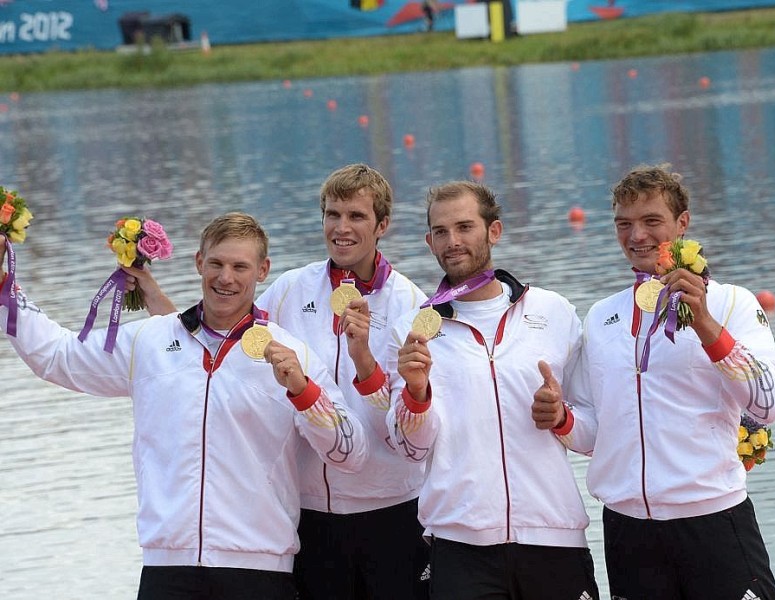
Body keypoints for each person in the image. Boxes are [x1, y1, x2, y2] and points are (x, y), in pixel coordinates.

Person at [0, 212, 367, 600]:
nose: (226, 277)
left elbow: (351, 452)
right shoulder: (149, 341)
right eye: (217, 264)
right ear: (198, 263)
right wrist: (6, 285)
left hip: (258, 571)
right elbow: (59, 358)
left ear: (262, 271)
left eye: (240, 266)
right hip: (167, 568)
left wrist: (303, 392)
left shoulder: (294, 356)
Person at [539, 164, 775, 599]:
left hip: (713, 523)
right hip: (629, 532)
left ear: (682, 223)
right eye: (624, 224)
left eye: (651, 221)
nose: (637, 236)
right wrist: (560, 417)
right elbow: (596, 433)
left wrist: (707, 324)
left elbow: (769, 404)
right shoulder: (601, 317)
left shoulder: (732, 303)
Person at [387, 180, 600, 600]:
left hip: (552, 539)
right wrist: (416, 395)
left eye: (465, 227)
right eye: (442, 232)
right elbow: (408, 449)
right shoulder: (412, 330)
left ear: (494, 231)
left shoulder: (553, 312)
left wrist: (562, 418)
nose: (453, 241)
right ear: (429, 241)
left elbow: (593, 435)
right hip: (460, 547)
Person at [255, 164, 429, 599]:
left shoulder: (412, 302)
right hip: (311, 514)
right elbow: (227, 335)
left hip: (394, 511)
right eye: (333, 215)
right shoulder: (290, 289)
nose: (341, 228)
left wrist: (364, 361)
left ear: (382, 225)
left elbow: (409, 423)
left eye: (356, 216)